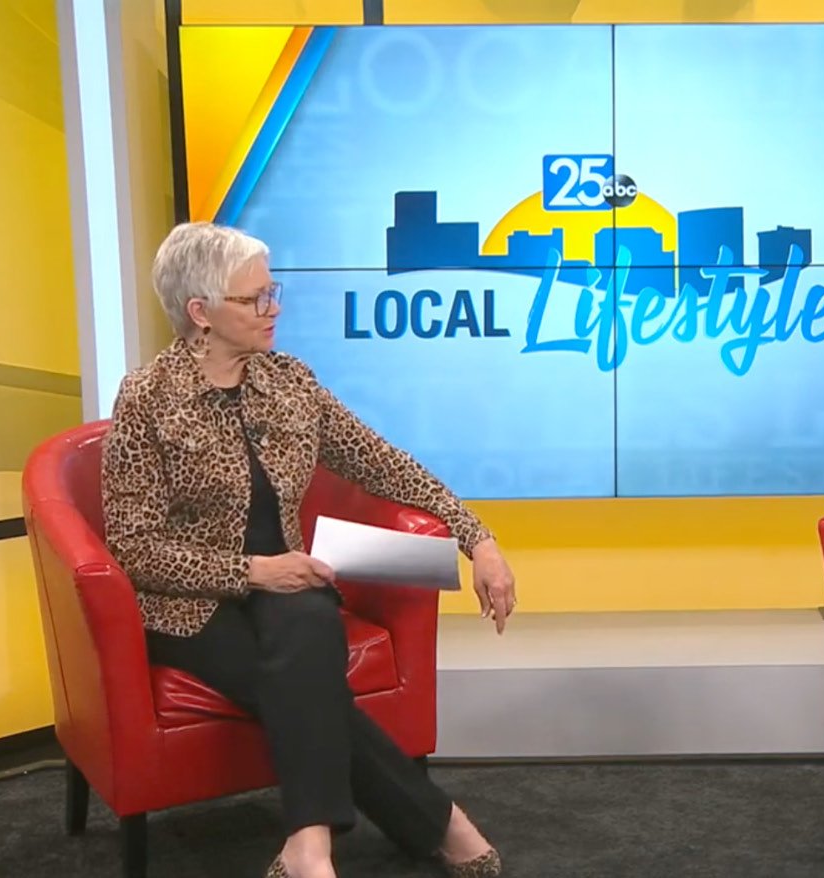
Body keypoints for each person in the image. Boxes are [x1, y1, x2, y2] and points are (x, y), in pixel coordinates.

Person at [100, 222, 516, 878]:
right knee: (299, 675)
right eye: (255, 299)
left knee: (309, 626)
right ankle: (438, 822)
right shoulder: (146, 399)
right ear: (200, 313)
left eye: (273, 292)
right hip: (188, 604)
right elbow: (132, 547)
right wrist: (251, 570)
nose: (274, 309)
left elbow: (383, 464)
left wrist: (476, 536)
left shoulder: (290, 382)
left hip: (291, 582)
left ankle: (307, 846)